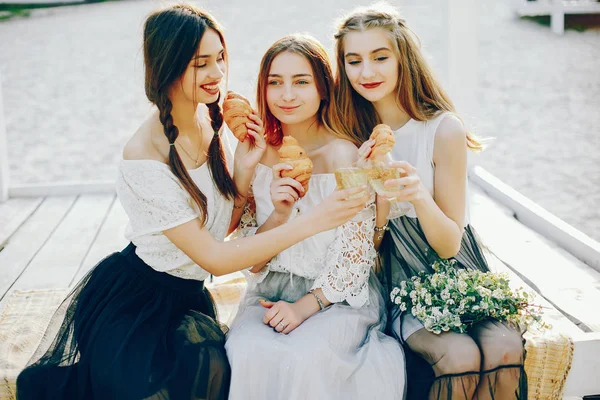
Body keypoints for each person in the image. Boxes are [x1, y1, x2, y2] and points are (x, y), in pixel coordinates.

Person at [16, 5, 368, 400]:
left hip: (187, 296)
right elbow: (215, 259)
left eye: (220, 58)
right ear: (168, 65)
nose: (218, 73)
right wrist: (312, 220)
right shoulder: (143, 156)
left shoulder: (209, 121)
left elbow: (222, 224)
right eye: (202, 63)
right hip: (137, 300)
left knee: (213, 370)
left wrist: (244, 172)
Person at [334, 4, 527, 399]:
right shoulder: (348, 134)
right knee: (457, 355)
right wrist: (373, 189)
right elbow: (363, 242)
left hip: (458, 268)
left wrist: (418, 193)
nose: (366, 72)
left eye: (380, 57)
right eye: (353, 61)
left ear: (402, 57)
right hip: (396, 273)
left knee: (504, 347)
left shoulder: (442, 130)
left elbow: (449, 244)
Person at [224, 34, 406, 400]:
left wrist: (306, 307)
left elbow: (357, 255)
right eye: (275, 82)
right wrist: (279, 213)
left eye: (301, 82)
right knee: (246, 352)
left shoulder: (343, 155)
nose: (286, 95)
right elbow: (250, 260)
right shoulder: (255, 153)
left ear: (324, 89)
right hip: (268, 294)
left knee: (305, 356)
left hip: (335, 298)